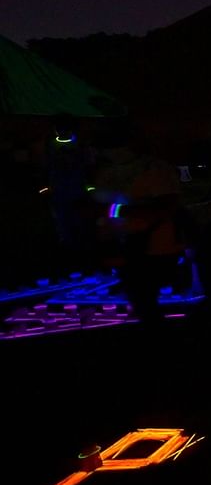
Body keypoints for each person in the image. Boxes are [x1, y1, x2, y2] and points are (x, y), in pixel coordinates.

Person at [92, 120, 187, 326]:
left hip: (150, 246)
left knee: (145, 300)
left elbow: (164, 208)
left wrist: (110, 210)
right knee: (140, 301)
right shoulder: (105, 170)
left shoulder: (153, 169)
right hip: (122, 245)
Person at [44, 114, 94, 260]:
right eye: (59, 128)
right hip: (60, 188)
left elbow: (89, 165)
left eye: (64, 127)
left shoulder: (81, 144)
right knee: (63, 221)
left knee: (78, 220)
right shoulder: (50, 144)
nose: (61, 131)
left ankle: (79, 251)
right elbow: (47, 166)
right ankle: (69, 251)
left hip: (75, 187)